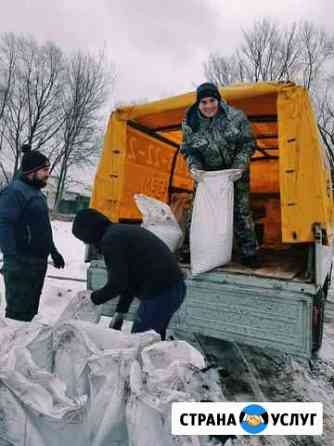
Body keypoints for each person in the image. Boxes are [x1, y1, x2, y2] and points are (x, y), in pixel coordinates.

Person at [72, 208, 186, 339]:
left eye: (84, 239)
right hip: (172, 290)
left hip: (161, 293)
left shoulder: (111, 240)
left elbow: (117, 284)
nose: (86, 243)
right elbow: (129, 279)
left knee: (141, 342)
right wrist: (121, 311)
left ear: (89, 232)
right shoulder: (119, 232)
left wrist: (93, 299)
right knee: (151, 342)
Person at [180, 82, 259, 268]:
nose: (208, 106)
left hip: (235, 173)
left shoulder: (236, 117)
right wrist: (194, 168)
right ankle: (190, 250)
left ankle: (250, 253)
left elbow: (248, 144)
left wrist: (239, 167)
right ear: (198, 104)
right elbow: (189, 151)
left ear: (218, 99)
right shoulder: (190, 124)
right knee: (198, 213)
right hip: (208, 176)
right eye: (203, 102)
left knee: (241, 212)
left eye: (212, 100)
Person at [0, 144, 65, 321]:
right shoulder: (14, 192)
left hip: (37, 262)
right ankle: (9, 347)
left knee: (29, 311)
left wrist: (53, 251)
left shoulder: (37, 194)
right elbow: (4, 224)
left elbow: (43, 228)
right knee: (16, 314)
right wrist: (11, 257)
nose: (47, 173)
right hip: (21, 261)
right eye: (44, 169)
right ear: (32, 171)